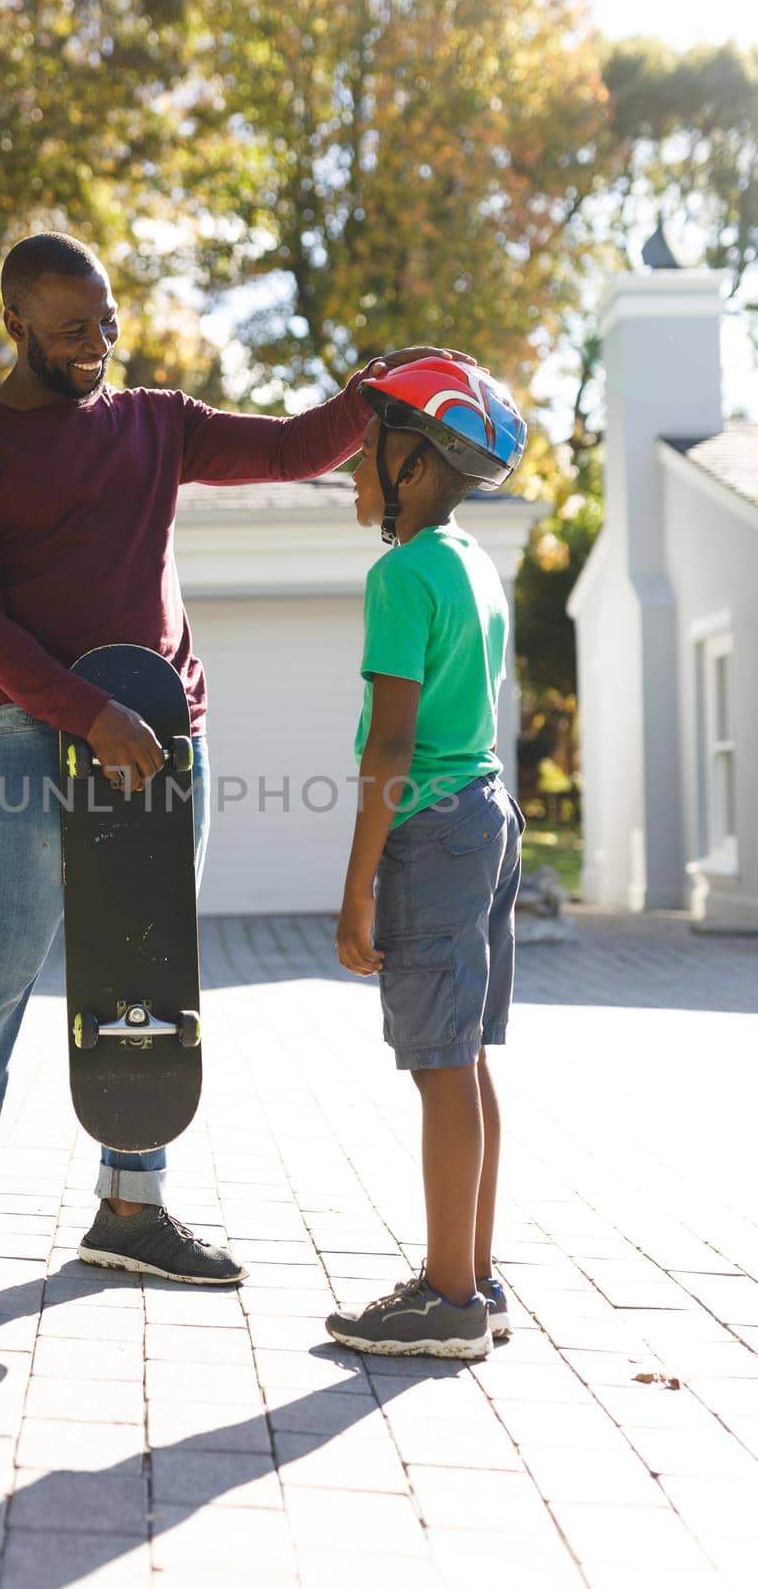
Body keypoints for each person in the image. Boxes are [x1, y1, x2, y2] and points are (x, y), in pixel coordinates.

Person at [0, 230, 472, 1314]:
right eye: (69, 330)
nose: (96, 345)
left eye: (106, 322)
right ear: (13, 323)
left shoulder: (154, 423)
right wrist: (86, 711)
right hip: (37, 739)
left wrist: (371, 391)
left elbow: (293, 447)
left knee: (146, 978)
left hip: (167, 742)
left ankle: (131, 1208)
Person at [325, 356, 528, 1360]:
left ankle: (446, 1301)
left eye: (363, 454)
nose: (350, 475)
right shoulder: (472, 564)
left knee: (439, 1062)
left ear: (409, 464)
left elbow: (390, 744)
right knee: (466, 1056)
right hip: (487, 814)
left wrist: (358, 884)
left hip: (433, 826)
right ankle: (471, 1277)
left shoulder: (399, 574)